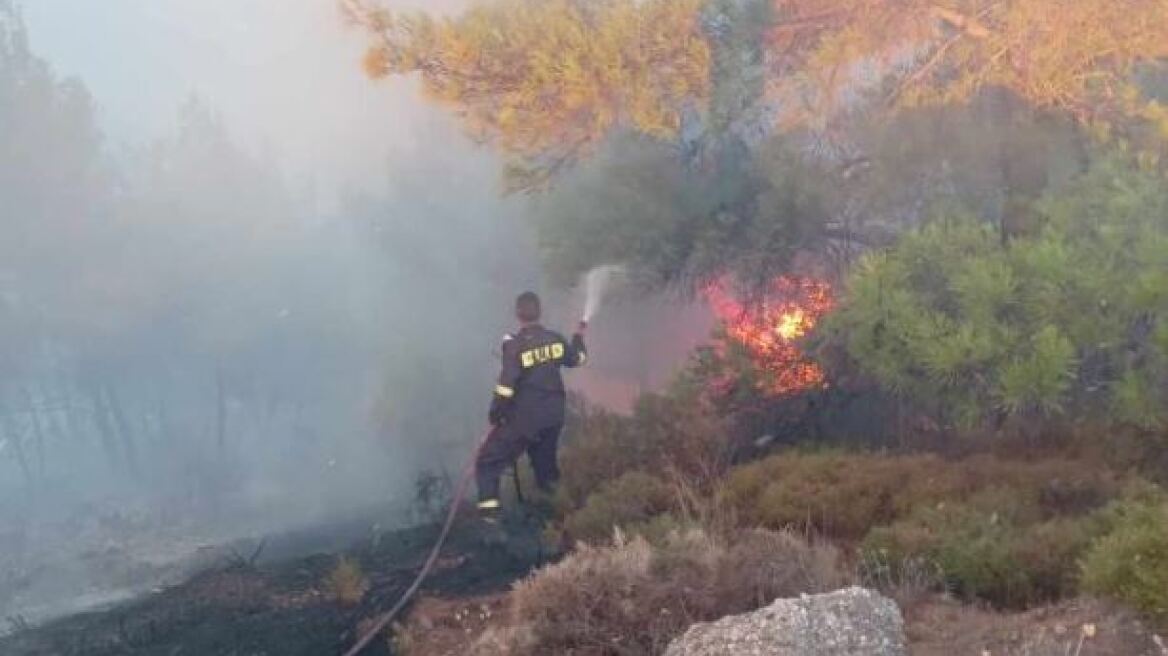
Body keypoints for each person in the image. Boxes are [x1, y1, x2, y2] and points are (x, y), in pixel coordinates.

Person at [476, 291, 586, 521]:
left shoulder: (515, 347)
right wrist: (577, 338)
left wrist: (496, 414)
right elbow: (578, 359)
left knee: (487, 462)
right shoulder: (554, 339)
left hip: (524, 420)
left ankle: (490, 520)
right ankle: (562, 520)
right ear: (539, 312)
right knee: (546, 474)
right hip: (553, 418)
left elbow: (506, 386)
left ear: (518, 314)